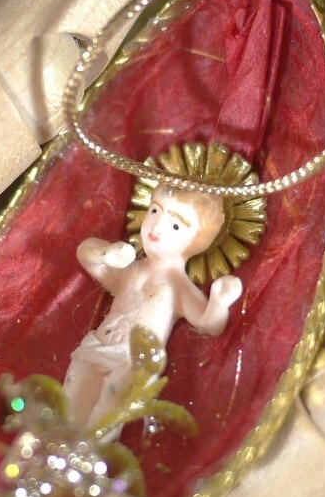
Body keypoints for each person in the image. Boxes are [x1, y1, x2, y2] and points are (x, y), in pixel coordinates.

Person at [63, 185, 242, 431]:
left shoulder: (177, 286)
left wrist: (219, 301)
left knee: (104, 419)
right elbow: (85, 253)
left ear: (198, 241)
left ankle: (91, 450)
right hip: (97, 347)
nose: (157, 226)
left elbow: (209, 324)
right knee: (69, 410)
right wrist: (106, 253)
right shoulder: (130, 269)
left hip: (133, 361)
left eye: (175, 225)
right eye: (155, 211)